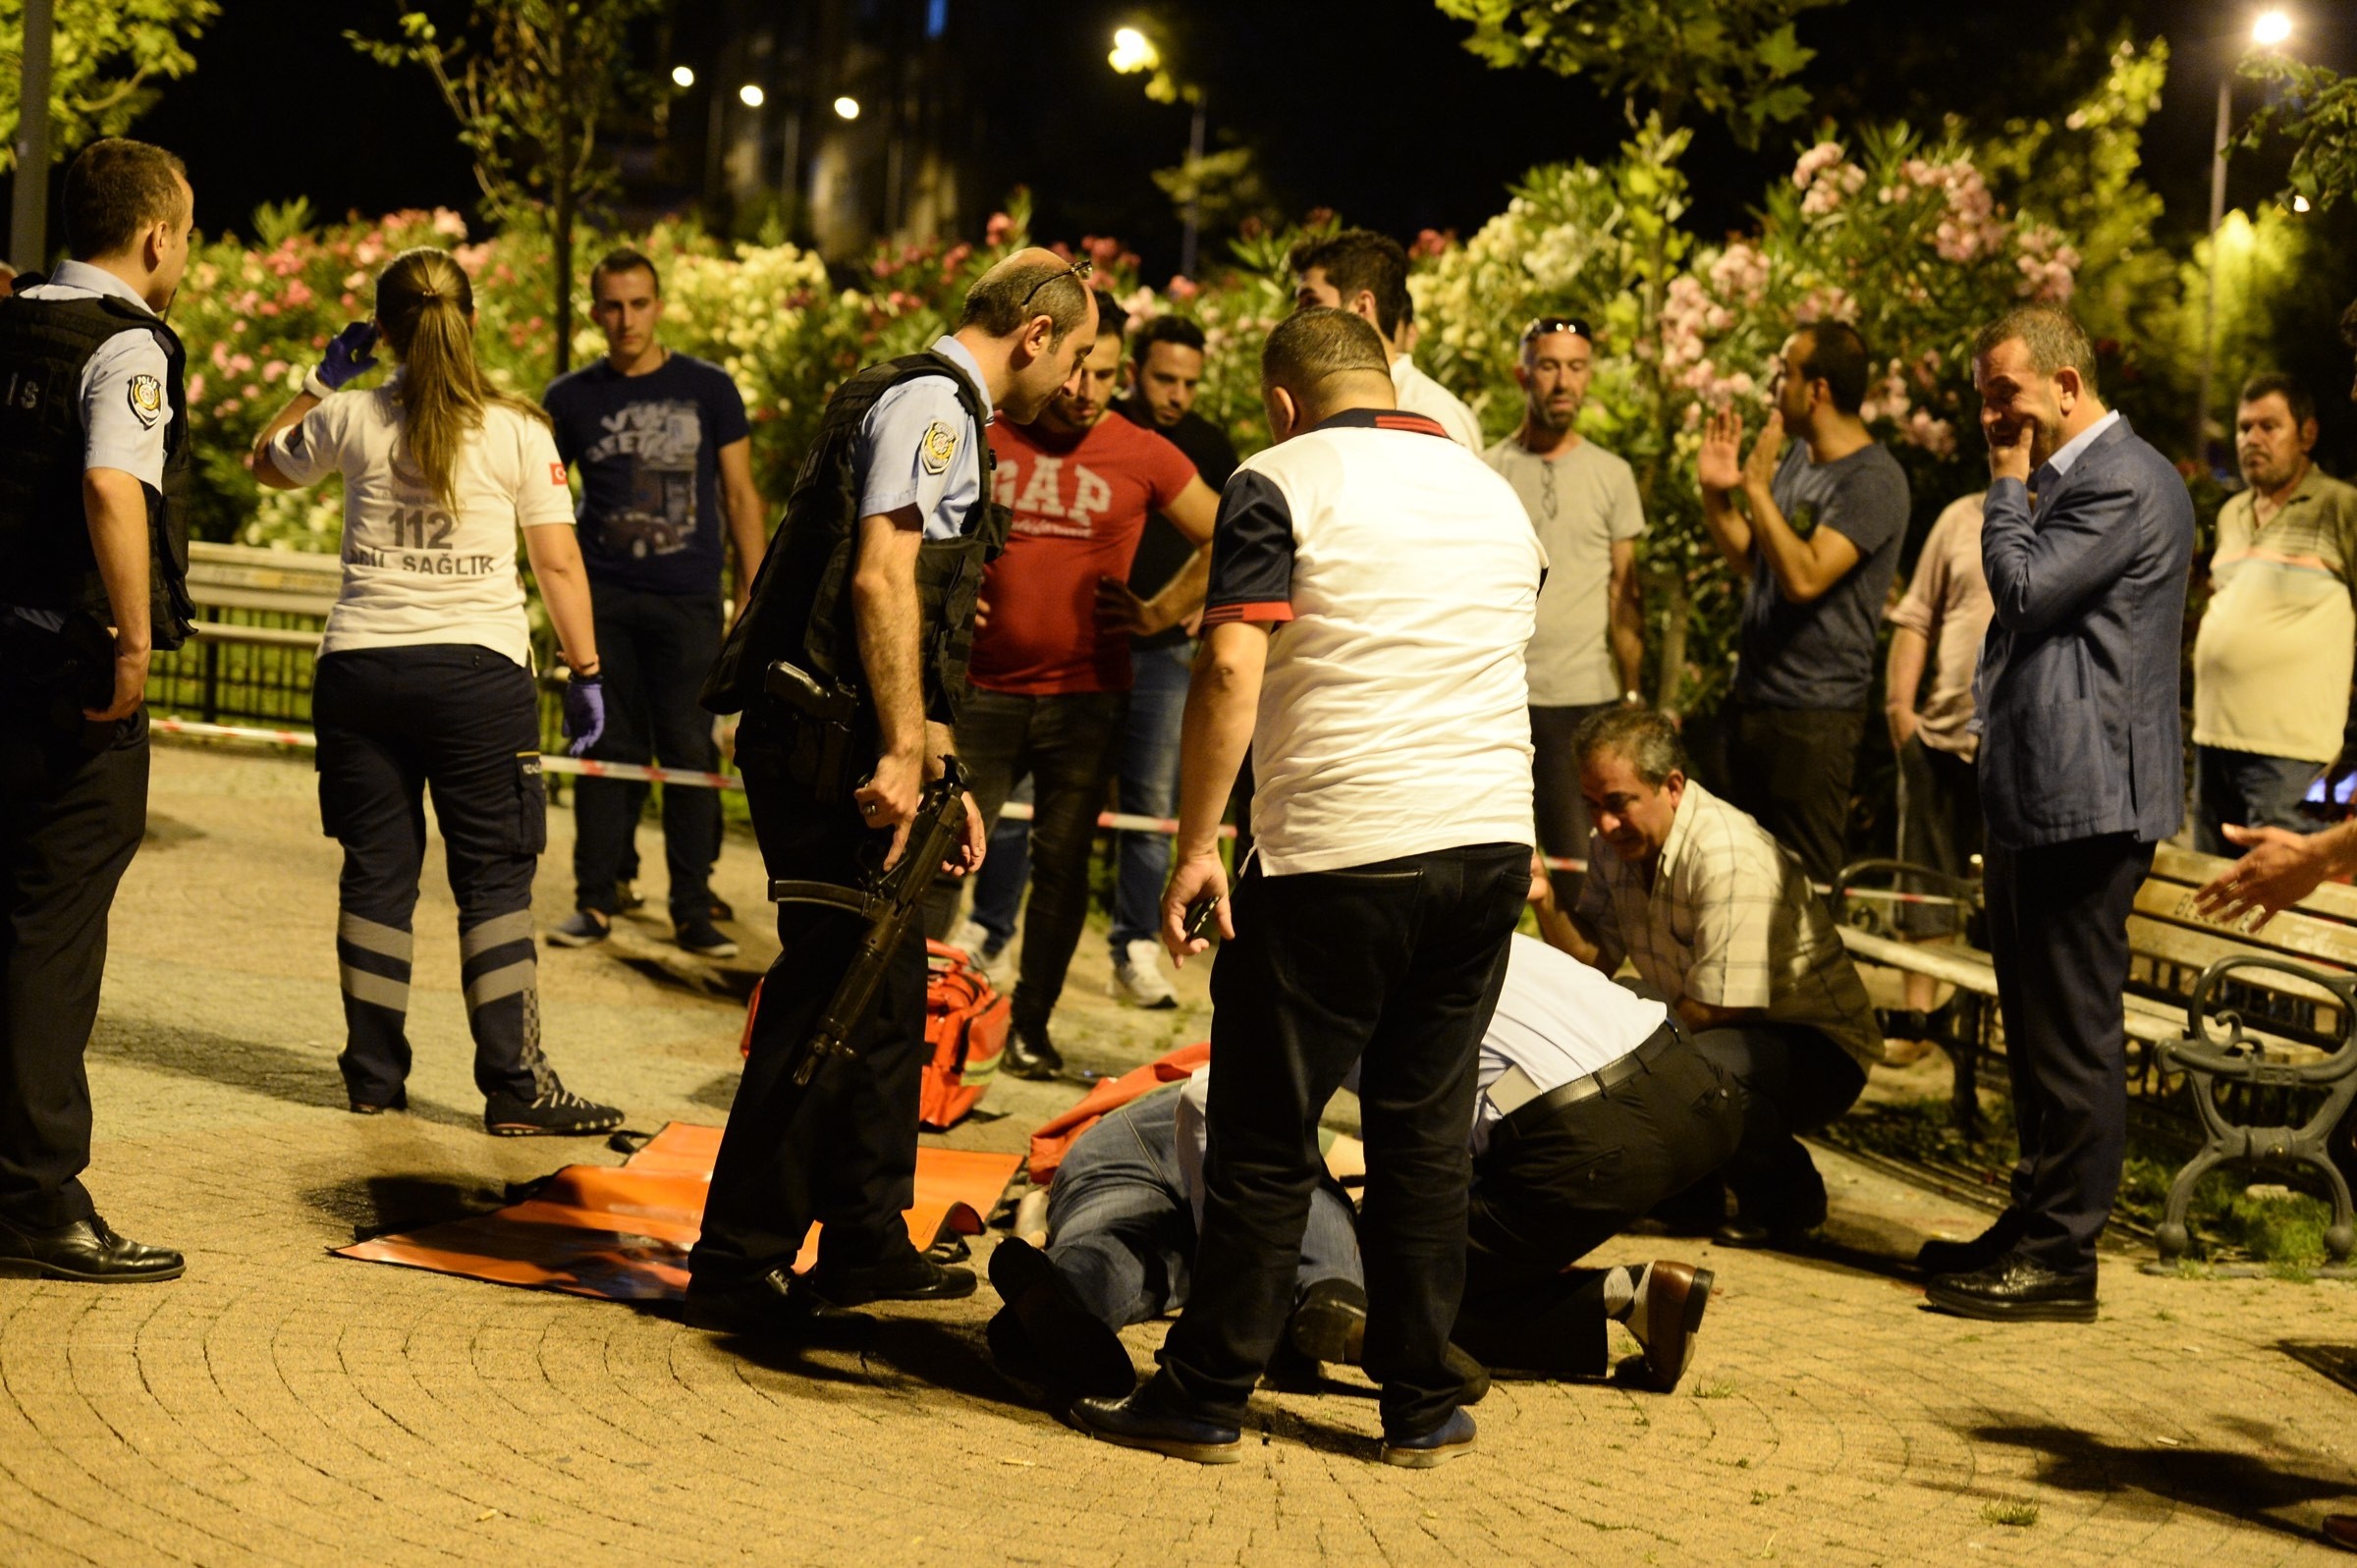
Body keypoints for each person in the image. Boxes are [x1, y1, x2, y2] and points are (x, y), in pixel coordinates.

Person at [1069, 308, 1543, 1469]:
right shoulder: (1492, 491)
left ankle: (1205, 1391)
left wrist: (1193, 846)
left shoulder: (1278, 479)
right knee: (1425, 1134)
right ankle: (1422, 1401)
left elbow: (1232, 659)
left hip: (1339, 848)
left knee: (1266, 1135)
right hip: (1488, 844)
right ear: (1392, 375)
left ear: (1283, 402)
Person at [682, 250, 1096, 1342]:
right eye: (1081, 355)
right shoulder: (935, 406)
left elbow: (924, 611)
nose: (1079, 383)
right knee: (830, 999)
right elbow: (879, 576)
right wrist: (906, 751)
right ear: (1038, 333)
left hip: (839, 731)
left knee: (881, 997)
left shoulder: (911, 391)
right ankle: (737, 1264)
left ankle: (864, 1237)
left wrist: (939, 756)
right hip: (830, 743)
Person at [252, 246, 625, 1138]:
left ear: (381, 331)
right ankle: (515, 1086)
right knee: (493, 882)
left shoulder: (348, 417)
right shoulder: (517, 430)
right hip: (476, 681)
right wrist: (587, 673)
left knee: (376, 877)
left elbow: (264, 461)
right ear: (473, 321)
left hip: (361, 671)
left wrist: (316, 379)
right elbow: (558, 562)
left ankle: (374, 1079)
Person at [1917, 306, 2192, 1324]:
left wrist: (2001, 482)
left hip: (2090, 802)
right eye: (1987, 396)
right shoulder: (2077, 480)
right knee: (2035, 1033)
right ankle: (2032, 1221)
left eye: (2009, 396)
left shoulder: (2121, 477)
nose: (1995, 416)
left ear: (2067, 386)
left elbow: (2023, 592)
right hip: (2046, 793)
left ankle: (2064, 1257)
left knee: (2071, 1036)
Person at [921, 292, 1220, 1080]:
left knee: (1060, 870)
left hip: (1087, 697)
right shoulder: (987, 433)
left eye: (1107, 376)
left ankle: (1031, 1030)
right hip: (982, 693)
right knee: (941, 852)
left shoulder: (1143, 451)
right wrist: (947, 583)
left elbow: (1230, 533)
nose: (1086, 392)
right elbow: (905, 526)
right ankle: (915, 1020)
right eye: (1078, 370)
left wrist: (1159, 614)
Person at [0, 137, 198, 1282]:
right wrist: (132, 646)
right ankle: (34, 1197)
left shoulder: (16, 316)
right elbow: (111, 484)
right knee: (53, 931)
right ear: (155, 234)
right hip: (65, 679)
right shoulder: (126, 343)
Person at [1547, 707, 1886, 1246]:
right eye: (1592, 805)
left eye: (1618, 804)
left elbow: (1726, 1006)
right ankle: (1689, 1202)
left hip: (1819, 1047)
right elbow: (1592, 964)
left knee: (1681, 1066)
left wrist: (1623, 1056)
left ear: (1672, 786)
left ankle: (1788, 1203)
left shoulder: (1727, 853)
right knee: (1617, 1016)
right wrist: (1544, 899)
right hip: (1728, 1027)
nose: (1604, 824)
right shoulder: (1614, 844)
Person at [542, 247, 768, 959]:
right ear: (593, 310)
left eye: (638, 304)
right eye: (612, 305)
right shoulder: (571, 397)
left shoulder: (709, 387)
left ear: (659, 305)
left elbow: (740, 496)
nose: (626, 319)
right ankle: (595, 897)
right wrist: (561, 610)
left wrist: (751, 604)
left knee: (690, 753)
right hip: (605, 598)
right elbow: (544, 504)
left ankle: (693, 905)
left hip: (688, 601)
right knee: (605, 747)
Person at [983, 1061, 1370, 1401]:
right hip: (1189, 1117)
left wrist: (1034, 1232)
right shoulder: (1260, 1065)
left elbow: (1037, 1201)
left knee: (1122, 1250)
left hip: (1115, 1150)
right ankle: (1331, 1289)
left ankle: (1069, 1292)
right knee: (1300, 1185)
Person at [1697, 321, 1910, 888]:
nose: (1775, 386)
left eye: (1785, 373)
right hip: (1753, 706)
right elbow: (1756, 559)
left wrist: (1759, 490)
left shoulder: (1873, 481)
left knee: (1803, 898)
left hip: (1814, 721)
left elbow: (1806, 577)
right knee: (1734, 883)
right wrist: (1718, 493)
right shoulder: (1797, 457)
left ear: (1817, 390)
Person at [1485, 314, 1646, 901]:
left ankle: (1583, 992)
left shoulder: (1612, 474)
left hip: (1585, 700)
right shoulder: (1487, 469)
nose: (1563, 382)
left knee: (1582, 879)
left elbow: (1626, 598)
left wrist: (1631, 698)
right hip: (1501, 697)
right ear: (1521, 373)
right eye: (1549, 365)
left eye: (1576, 368)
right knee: (1490, 871)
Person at [2187, 373, 2357, 856]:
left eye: (2269, 426)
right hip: (2213, 740)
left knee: (2283, 900)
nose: (2251, 440)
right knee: (2211, 896)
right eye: (2244, 428)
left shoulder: (2342, 508)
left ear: (2307, 434)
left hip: (2291, 756)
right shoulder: (2232, 513)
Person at [1883, 490, 1994, 1010]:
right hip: (1941, 734)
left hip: (2020, 748)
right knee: (1923, 873)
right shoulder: (1960, 516)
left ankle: (1984, 1024)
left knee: (2003, 896)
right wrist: (1899, 710)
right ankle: (1919, 1016)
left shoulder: (2073, 514)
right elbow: (1917, 615)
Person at [1289, 229, 1483, 451]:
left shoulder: (1430, 412)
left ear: (1362, 306)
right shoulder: (1328, 405)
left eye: (1310, 302)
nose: (1297, 318)